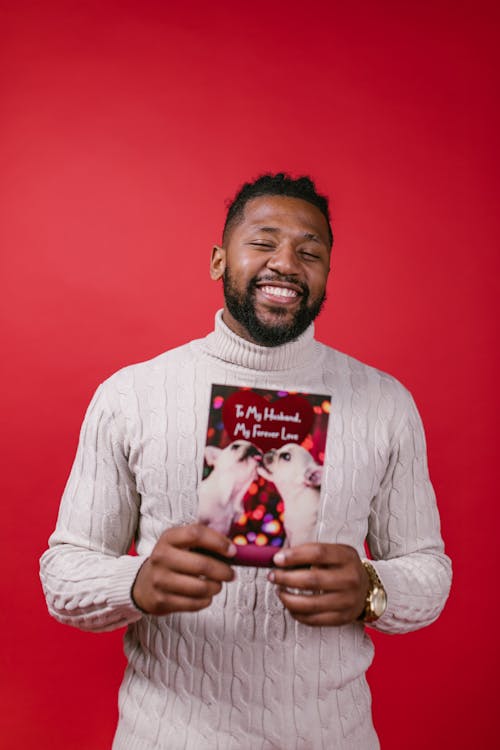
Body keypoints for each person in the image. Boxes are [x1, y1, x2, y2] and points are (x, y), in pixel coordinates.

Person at [40, 173, 452, 749]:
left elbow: (429, 568)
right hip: (169, 736)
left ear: (327, 275)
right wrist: (135, 582)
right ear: (217, 261)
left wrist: (372, 588)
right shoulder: (130, 395)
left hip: (333, 736)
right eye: (263, 242)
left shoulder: (386, 403)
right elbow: (63, 573)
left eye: (310, 252)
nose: (286, 262)